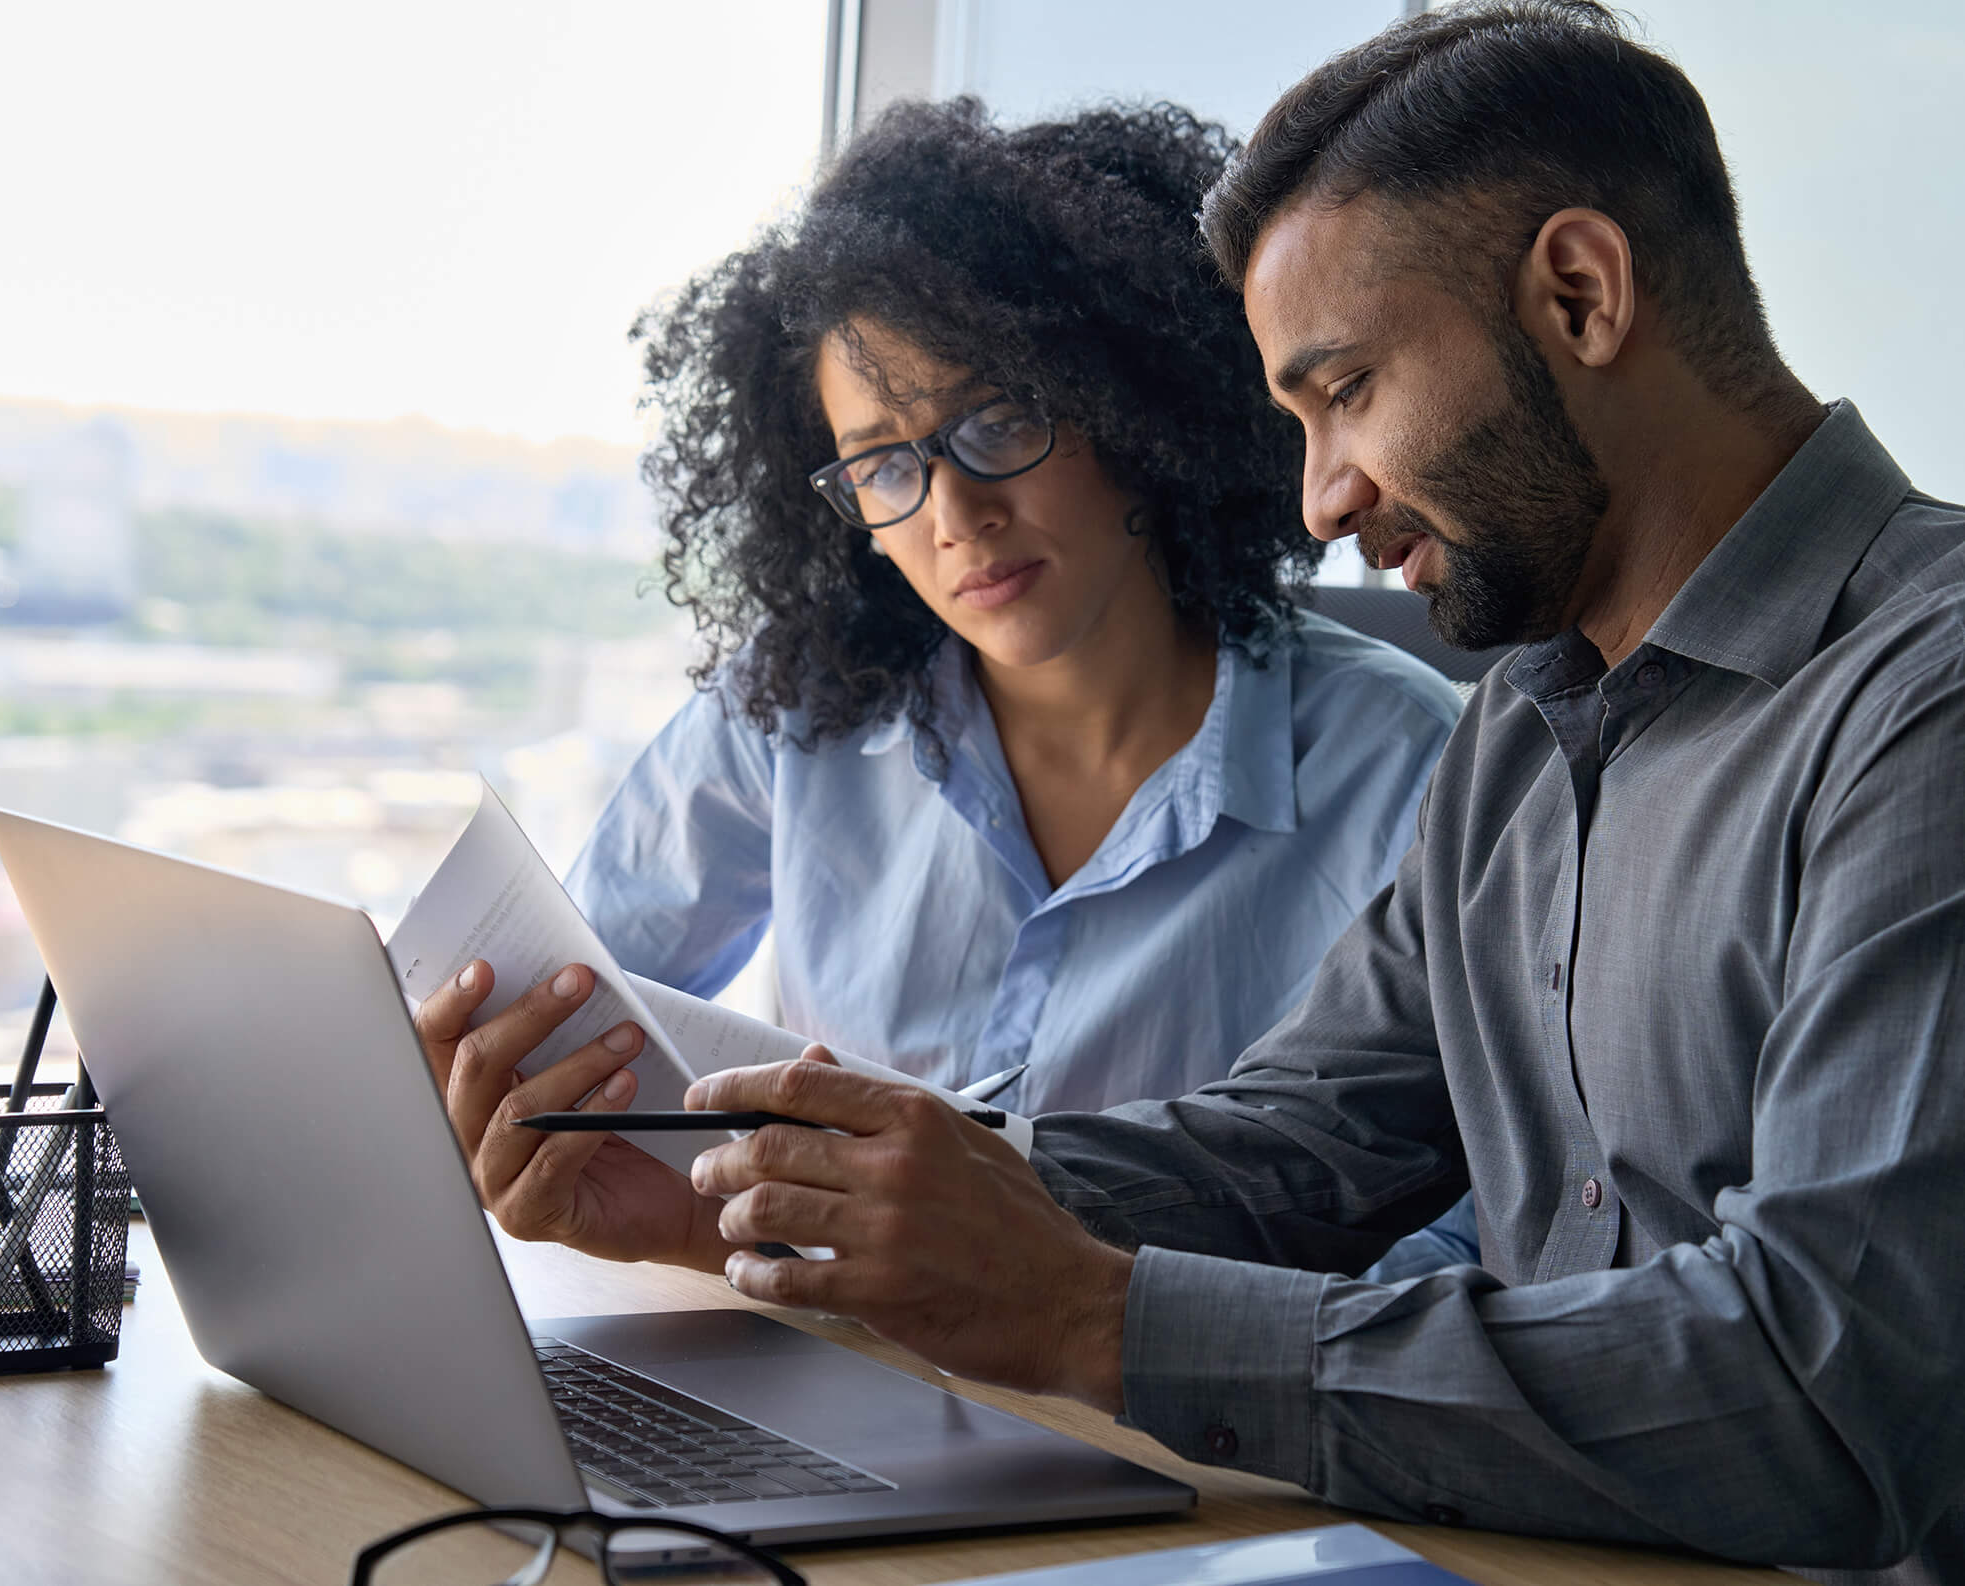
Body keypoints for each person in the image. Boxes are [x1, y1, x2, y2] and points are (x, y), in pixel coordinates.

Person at [429, 5, 1965, 1578]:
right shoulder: (1528, 721)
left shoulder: (1928, 702)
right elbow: (1297, 1148)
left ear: (1579, 294)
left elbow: (1825, 1397)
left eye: (1348, 389)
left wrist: (1098, 1320)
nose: (1320, 493)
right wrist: (785, 1209)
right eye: (1293, 422)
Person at [423, 99, 1475, 1264]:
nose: (957, 512)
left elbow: (1468, 1246)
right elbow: (581, 1007)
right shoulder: (793, 713)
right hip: (815, 1350)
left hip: (1177, 1421)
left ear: (1135, 411)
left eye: (1001, 421)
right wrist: (501, 1108)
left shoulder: (1412, 771)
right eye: (882, 464)